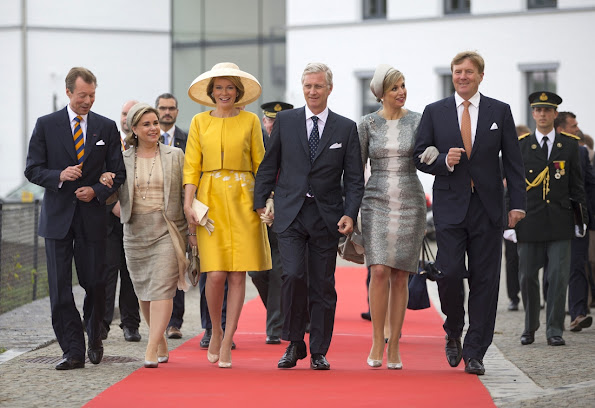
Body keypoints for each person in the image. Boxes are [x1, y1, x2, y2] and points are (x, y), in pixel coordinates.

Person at [413, 51, 526, 376]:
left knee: (485, 280)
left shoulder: (498, 111)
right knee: (447, 273)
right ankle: (453, 329)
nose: (463, 76)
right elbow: (419, 156)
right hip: (449, 206)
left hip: (488, 208)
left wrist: (516, 204)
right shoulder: (435, 112)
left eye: (469, 71)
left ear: (480, 75)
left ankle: (476, 350)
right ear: (452, 75)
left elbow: (515, 164)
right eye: (457, 71)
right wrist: (443, 162)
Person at [254, 62, 365, 371]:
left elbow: (354, 178)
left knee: (322, 284)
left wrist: (350, 213)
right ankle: (293, 343)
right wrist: (261, 202)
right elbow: (269, 165)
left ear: (329, 89)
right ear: (302, 88)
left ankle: (318, 349)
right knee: (291, 276)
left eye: (318, 86)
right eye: (307, 86)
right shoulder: (286, 122)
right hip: (290, 214)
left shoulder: (345, 128)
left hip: (327, 217)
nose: (313, 91)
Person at [24, 67, 125, 370]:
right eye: (82, 95)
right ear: (69, 92)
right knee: (59, 287)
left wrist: (95, 190)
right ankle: (72, 350)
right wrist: (59, 175)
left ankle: (94, 334)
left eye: (92, 95)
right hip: (57, 219)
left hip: (92, 218)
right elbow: (32, 169)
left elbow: (117, 172)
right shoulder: (46, 125)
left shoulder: (106, 128)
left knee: (95, 282)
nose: (88, 101)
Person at [184, 62, 272, 368]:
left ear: (238, 92)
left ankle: (229, 338)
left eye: (230, 88)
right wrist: (188, 202)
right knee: (216, 273)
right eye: (219, 87)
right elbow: (191, 165)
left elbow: (262, 164)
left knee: (238, 273)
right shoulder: (198, 122)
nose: (224, 93)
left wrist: (265, 200)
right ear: (211, 92)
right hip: (209, 200)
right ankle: (216, 330)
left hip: (244, 198)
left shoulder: (250, 121)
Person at [101, 103, 189, 367]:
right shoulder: (123, 158)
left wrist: (192, 230)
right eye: (147, 124)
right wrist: (107, 184)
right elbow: (111, 196)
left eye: (156, 123)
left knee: (163, 288)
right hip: (135, 230)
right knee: (144, 291)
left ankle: (151, 347)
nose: (154, 128)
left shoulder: (176, 155)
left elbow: (188, 192)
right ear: (135, 129)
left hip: (167, 228)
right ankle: (159, 339)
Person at [357, 64, 426, 370]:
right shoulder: (367, 124)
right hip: (376, 201)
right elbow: (355, 171)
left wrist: (435, 155)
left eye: (403, 85)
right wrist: (350, 210)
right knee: (380, 270)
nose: (401, 92)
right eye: (395, 87)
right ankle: (376, 339)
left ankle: (395, 344)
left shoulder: (419, 120)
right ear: (381, 94)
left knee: (400, 274)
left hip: (411, 200)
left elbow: (427, 155)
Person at [515, 92, 586, 347]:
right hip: (529, 221)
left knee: (557, 276)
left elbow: (577, 185)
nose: (543, 114)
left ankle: (554, 329)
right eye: (538, 110)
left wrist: (581, 220)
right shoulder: (521, 145)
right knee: (527, 277)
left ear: (555, 114)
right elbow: (511, 186)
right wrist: (509, 222)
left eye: (547, 110)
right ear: (533, 114)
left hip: (560, 221)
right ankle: (530, 326)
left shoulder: (569, 145)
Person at [248, 101, 293, 345]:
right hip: (257, 212)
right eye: (270, 120)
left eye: (279, 121)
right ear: (264, 121)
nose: (274, 125)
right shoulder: (256, 141)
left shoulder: (295, 142)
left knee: (279, 269)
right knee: (256, 271)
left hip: (285, 212)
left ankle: (275, 326)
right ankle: (280, 312)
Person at [102, 99, 141, 342]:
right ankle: (102, 323)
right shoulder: (108, 140)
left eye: (131, 114)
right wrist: (113, 205)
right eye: (124, 113)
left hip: (135, 219)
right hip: (109, 219)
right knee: (106, 272)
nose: (127, 118)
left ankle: (131, 324)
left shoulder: (145, 147)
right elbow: (99, 174)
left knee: (131, 274)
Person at [554, 111, 595, 332]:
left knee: (578, 265)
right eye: (573, 126)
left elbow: (590, 186)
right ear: (561, 129)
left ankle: (578, 314)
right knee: (552, 271)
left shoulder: (580, 152)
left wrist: (589, 219)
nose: (577, 129)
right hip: (548, 221)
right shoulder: (541, 151)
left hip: (577, 219)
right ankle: (551, 317)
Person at [153, 93, 189, 340]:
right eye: (162, 108)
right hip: (153, 215)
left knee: (177, 268)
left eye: (171, 108)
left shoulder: (187, 139)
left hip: (178, 214)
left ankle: (175, 323)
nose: (167, 112)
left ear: (177, 111)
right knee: (157, 270)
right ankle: (156, 321)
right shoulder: (148, 140)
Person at [502, 124, 532, 312]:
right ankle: (514, 297)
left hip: (529, 215)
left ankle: (531, 295)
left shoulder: (530, 159)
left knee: (530, 259)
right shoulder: (502, 160)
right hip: (510, 216)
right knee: (512, 259)